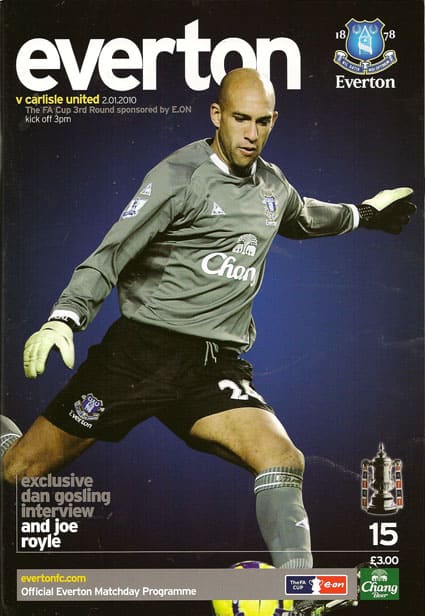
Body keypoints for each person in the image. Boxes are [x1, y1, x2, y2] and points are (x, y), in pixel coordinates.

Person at [1, 69, 415, 575]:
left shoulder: (272, 184)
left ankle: (299, 591)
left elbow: (304, 216)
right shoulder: (179, 177)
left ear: (274, 121)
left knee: (283, 459)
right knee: (20, 470)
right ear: (217, 115)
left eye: (262, 122)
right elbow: (111, 252)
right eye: (240, 119)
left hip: (212, 366)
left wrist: (364, 214)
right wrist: (65, 318)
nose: (251, 133)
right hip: (140, 356)